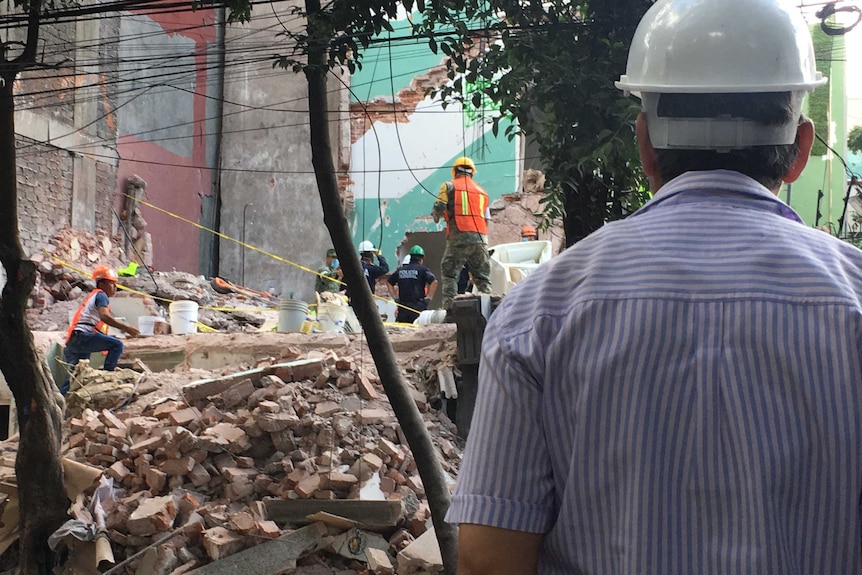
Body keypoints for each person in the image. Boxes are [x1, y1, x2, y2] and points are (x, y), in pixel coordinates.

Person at [446, 1, 862, 573]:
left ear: (644, 145)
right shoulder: (853, 300)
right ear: (800, 149)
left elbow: (489, 560)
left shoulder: (539, 312)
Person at [62, 265, 140, 395]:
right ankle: (107, 379)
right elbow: (104, 316)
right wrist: (126, 328)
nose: (115, 287)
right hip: (81, 336)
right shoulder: (101, 295)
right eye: (112, 284)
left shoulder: (93, 296)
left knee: (75, 378)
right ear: (102, 284)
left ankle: (61, 400)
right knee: (117, 345)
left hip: (75, 339)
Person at [432, 156, 492, 309]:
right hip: (481, 238)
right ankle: (490, 311)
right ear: (472, 172)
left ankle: (450, 311)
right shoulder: (482, 192)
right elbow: (487, 218)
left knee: (449, 272)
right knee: (482, 278)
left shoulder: (449, 186)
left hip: (460, 235)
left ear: (455, 171)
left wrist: (436, 216)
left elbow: (439, 207)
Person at [387, 245, 438, 324]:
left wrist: (395, 297)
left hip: (403, 307)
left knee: (403, 330)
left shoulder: (401, 270)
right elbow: (434, 282)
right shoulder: (423, 270)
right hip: (418, 307)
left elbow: (389, 282)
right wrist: (428, 298)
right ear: (421, 259)